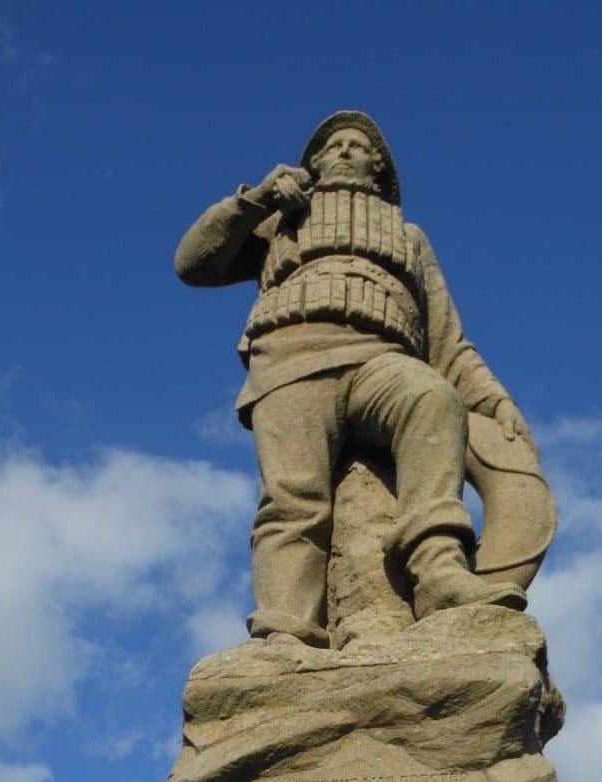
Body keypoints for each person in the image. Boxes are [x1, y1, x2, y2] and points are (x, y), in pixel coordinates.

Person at [176, 111, 539, 648]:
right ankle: (285, 631)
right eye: (332, 146)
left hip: (380, 359)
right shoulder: (279, 221)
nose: (345, 151)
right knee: (293, 499)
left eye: (359, 145)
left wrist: (492, 400)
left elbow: (447, 340)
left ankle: (438, 573)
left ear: (380, 168)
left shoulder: (409, 237)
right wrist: (256, 200)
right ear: (314, 163)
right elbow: (193, 262)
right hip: (290, 359)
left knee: (432, 400)